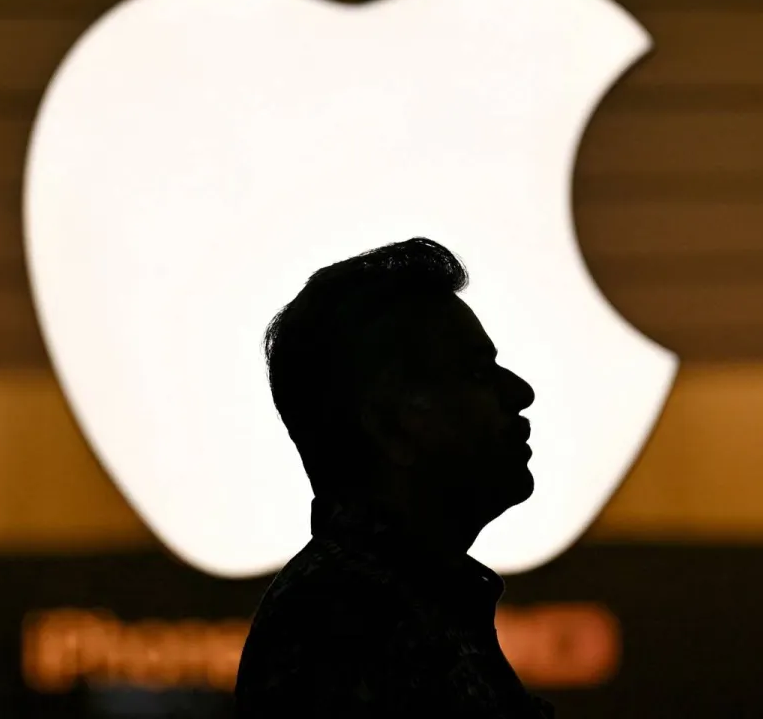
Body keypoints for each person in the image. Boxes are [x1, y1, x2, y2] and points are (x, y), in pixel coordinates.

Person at [234, 238, 555, 717]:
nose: (519, 392)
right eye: (475, 372)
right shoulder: (343, 625)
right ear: (391, 426)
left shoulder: (393, 603)